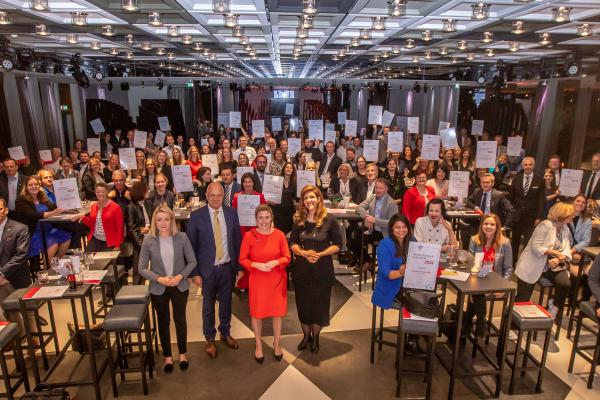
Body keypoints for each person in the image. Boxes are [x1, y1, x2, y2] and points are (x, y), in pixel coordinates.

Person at [186, 182, 242, 358]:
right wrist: (194, 273)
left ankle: (225, 332)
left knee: (226, 304)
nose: (216, 199)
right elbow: (190, 248)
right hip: (206, 271)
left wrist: (239, 268)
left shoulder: (232, 214)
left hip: (227, 268)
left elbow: (237, 242)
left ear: (223, 195)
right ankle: (209, 337)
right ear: (207, 196)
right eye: (212, 195)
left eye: (219, 195)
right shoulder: (196, 216)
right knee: (208, 306)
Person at [138, 205, 197, 372]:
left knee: (180, 320)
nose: (163, 223)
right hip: (158, 287)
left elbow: (192, 261)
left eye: (166, 219)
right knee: (163, 322)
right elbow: (141, 267)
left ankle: (183, 353)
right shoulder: (148, 240)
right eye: (159, 220)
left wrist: (180, 276)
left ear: (172, 220)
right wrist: (159, 278)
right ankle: (168, 357)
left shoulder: (182, 237)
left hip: (179, 285)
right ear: (154, 222)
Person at [290, 185, 342, 354]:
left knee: (319, 305)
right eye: (305, 198)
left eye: (312, 197)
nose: (309, 201)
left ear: (319, 198)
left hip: (322, 269)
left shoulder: (330, 219)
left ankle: (316, 338)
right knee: (303, 304)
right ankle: (306, 336)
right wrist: (303, 253)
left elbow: (338, 245)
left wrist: (320, 254)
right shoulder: (299, 220)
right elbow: (292, 243)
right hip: (302, 269)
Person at [239, 205, 291, 363]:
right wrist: (256, 265)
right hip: (258, 280)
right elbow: (242, 259)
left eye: (266, 217)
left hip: (276, 279)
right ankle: (258, 345)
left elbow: (287, 257)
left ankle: (277, 343)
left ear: (271, 219)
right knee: (257, 314)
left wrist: (276, 261)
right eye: (260, 218)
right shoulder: (249, 236)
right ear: (255, 219)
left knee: (277, 313)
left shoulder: (280, 235)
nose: (263, 221)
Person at [515, 202, 574, 319]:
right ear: (563, 214)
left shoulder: (565, 229)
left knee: (565, 284)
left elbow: (567, 248)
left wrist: (558, 258)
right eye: (571, 214)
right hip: (533, 264)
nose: (574, 216)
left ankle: (554, 307)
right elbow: (536, 248)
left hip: (552, 264)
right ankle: (512, 326)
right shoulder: (545, 225)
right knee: (523, 298)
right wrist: (556, 253)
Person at [463, 213, 513, 337]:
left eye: (492, 224)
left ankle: (466, 326)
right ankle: (481, 320)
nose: (488, 226)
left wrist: (503, 288)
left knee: (475, 298)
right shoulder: (474, 240)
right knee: (476, 292)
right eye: (486, 223)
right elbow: (470, 264)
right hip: (476, 280)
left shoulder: (505, 243)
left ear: (497, 227)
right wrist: (471, 288)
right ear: (482, 225)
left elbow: (508, 269)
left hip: (495, 283)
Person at [14, 176, 71, 268]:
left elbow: (53, 208)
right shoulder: (21, 200)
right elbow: (32, 216)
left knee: (66, 237)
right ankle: (47, 270)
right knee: (53, 243)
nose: (34, 186)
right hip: (33, 232)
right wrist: (52, 213)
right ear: (26, 187)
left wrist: (66, 200)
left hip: (48, 229)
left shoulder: (42, 196)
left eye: (36, 184)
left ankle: (56, 264)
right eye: (30, 185)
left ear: (39, 185)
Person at [352, 179, 399, 273]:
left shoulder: (392, 203)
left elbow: (392, 223)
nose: (378, 190)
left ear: (386, 189)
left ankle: (375, 266)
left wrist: (375, 221)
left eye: (381, 188)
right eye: (376, 187)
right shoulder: (372, 197)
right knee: (352, 241)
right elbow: (359, 208)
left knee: (383, 250)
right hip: (371, 230)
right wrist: (367, 217)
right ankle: (368, 260)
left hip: (384, 233)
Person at [463, 173, 516, 248]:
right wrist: (476, 207)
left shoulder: (499, 195)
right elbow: (468, 202)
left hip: (492, 224)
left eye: (487, 182)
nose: (485, 184)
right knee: (464, 231)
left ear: (492, 183)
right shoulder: (477, 192)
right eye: (483, 182)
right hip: (478, 223)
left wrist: (506, 227)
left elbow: (511, 210)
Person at [371, 214, 411, 309]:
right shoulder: (384, 245)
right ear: (391, 229)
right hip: (391, 289)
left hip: (410, 286)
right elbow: (386, 273)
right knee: (417, 305)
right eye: (397, 227)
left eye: (404, 227)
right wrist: (402, 272)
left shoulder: (412, 241)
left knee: (428, 299)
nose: (401, 230)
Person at [509, 157, 544, 262]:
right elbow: (511, 197)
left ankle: (524, 263)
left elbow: (541, 200)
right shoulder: (516, 178)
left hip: (531, 218)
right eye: (526, 165)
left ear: (533, 166)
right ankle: (513, 262)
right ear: (522, 166)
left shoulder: (540, 180)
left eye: (530, 165)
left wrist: (539, 217)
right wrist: (512, 213)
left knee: (528, 242)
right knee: (514, 241)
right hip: (517, 217)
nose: (528, 167)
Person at [0, 198, 31, 311]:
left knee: (22, 312)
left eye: (0, 209)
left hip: (15, 276)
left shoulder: (20, 228)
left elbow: (21, 254)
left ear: (6, 210)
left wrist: (2, 273)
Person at [81, 183, 124, 252]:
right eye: (98, 192)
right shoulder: (93, 206)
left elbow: (119, 228)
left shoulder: (116, 207)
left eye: (103, 192)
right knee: (88, 259)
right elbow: (91, 223)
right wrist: (82, 218)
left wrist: (117, 245)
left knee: (105, 262)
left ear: (107, 192)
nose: (100, 194)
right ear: (95, 193)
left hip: (109, 241)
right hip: (95, 239)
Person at [126, 181, 153, 283]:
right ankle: (138, 292)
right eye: (146, 190)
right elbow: (132, 229)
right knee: (139, 270)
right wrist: (142, 245)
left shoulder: (149, 203)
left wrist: (150, 229)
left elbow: (154, 220)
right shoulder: (131, 207)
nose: (148, 191)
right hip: (139, 242)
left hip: (151, 237)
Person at [272, 162, 296, 234]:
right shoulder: (277, 180)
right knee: (278, 232)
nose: (289, 169)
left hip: (289, 212)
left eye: (291, 168)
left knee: (288, 232)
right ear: (284, 169)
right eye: (287, 167)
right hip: (277, 211)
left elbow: (295, 198)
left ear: (293, 171)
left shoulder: (294, 183)